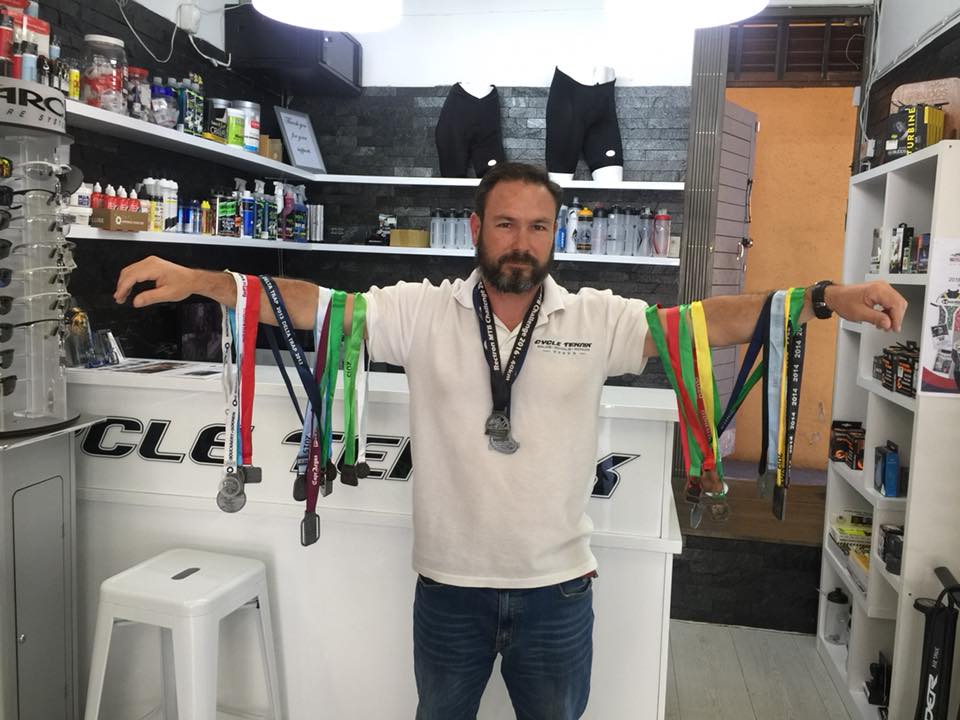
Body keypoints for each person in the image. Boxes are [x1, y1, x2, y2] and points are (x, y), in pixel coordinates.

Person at [113, 162, 907, 720]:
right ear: (476, 229)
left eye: (537, 226)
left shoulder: (596, 318)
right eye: (505, 224)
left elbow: (708, 324)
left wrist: (823, 297)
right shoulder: (420, 311)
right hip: (448, 591)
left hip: (557, 593)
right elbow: (315, 304)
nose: (521, 241)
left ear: (555, 235)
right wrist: (206, 281)